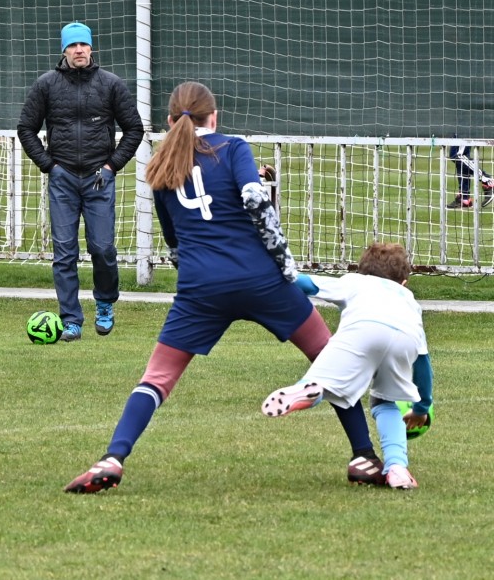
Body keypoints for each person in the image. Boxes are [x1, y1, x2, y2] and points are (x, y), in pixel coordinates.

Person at [63, 81, 379, 493]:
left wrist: (199, 277)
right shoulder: (233, 148)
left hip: (201, 287)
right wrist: (285, 265)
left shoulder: (161, 167)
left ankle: (112, 458)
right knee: (330, 358)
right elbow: (255, 201)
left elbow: (175, 242)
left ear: (171, 121)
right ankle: (363, 456)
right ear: (214, 116)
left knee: (156, 379)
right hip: (260, 278)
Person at [262, 242, 434, 490]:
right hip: (404, 341)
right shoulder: (410, 302)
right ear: (404, 282)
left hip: (362, 330)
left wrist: (274, 273)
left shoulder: (355, 282)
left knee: (326, 380)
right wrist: (421, 407)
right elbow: (423, 363)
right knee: (385, 403)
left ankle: (309, 388)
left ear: (362, 271)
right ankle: (397, 468)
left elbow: (307, 285)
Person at [17, 22, 144, 341]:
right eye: (72, 46)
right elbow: (26, 128)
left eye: (83, 45)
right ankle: (71, 319)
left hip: (99, 178)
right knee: (64, 253)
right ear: (64, 50)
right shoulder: (46, 84)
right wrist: (49, 166)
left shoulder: (111, 84)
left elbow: (134, 129)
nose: (78, 50)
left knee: (102, 248)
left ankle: (105, 304)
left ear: (91, 48)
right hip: (63, 180)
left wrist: (111, 166)